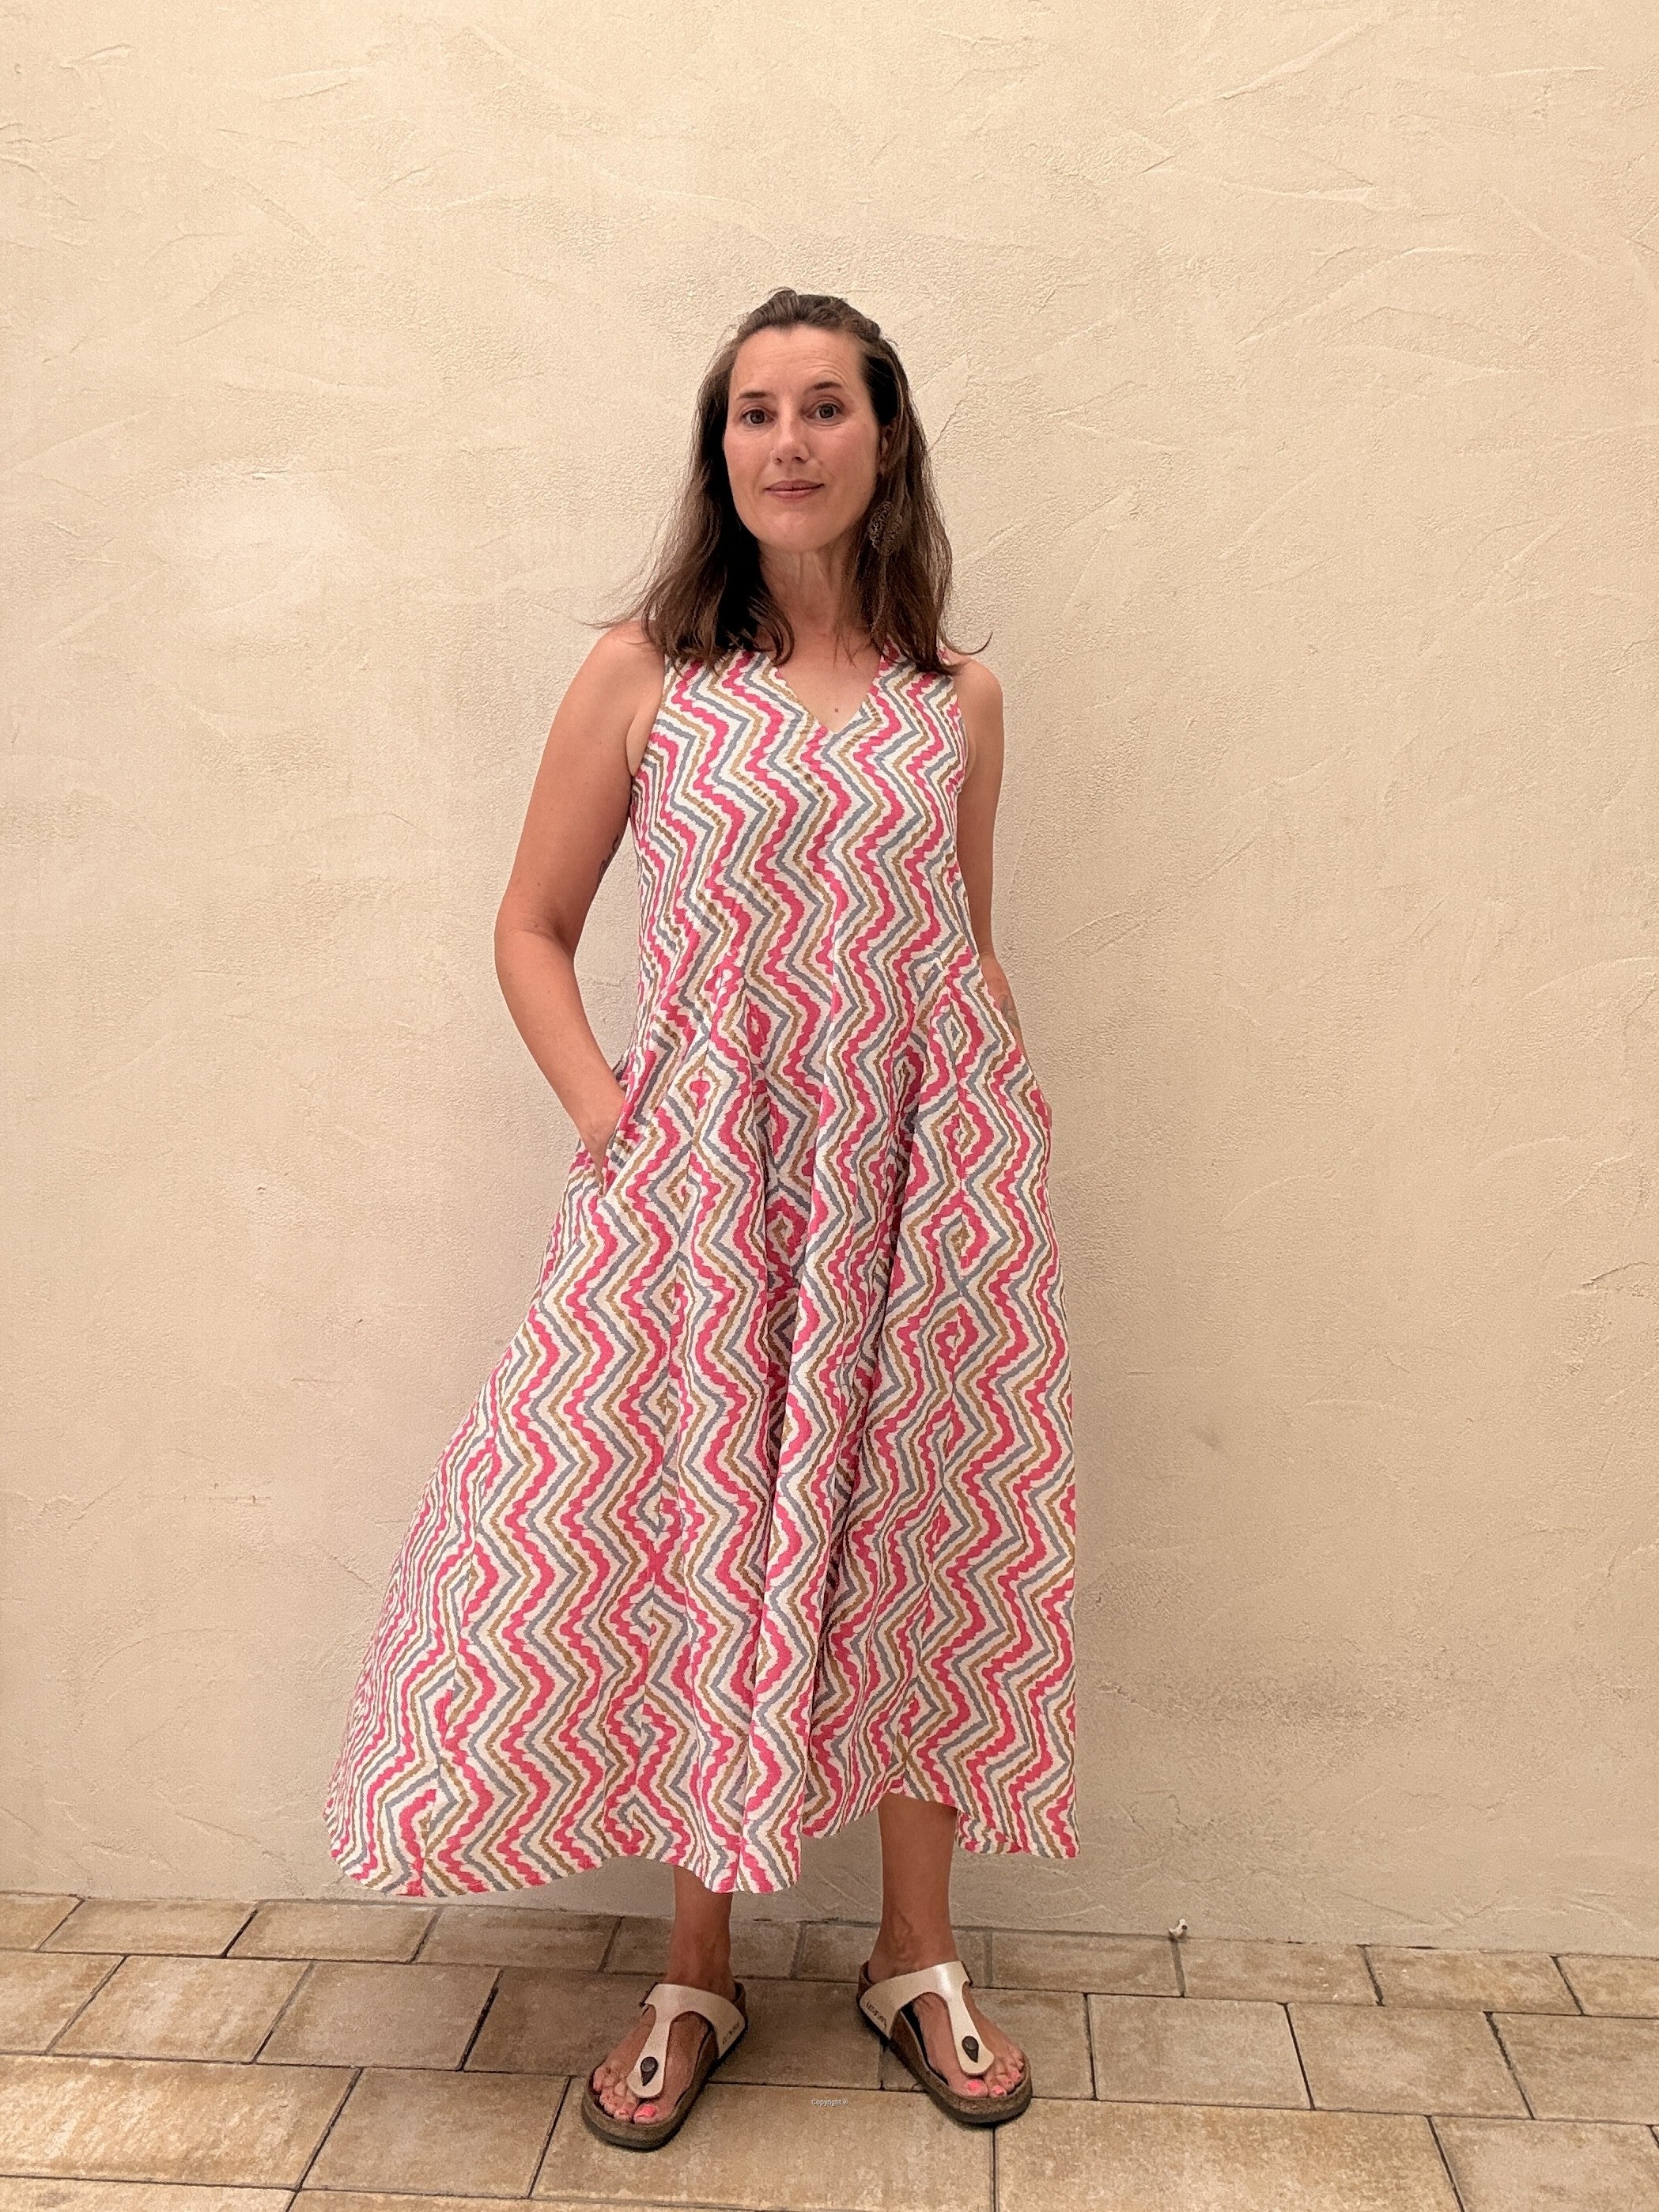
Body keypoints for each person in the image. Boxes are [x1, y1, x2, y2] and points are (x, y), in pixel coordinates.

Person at [323, 288, 1077, 2146]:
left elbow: (957, 947)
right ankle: (695, 1968)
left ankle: (915, 1953)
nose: (787, 441)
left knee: (920, 1546)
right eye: (754, 411)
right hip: (707, 1197)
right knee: (699, 1539)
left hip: (923, 1185)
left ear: (883, 439)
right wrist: (613, 1120)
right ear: (717, 447)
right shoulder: (645, 673)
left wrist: (1003, 1120)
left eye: (824, 407)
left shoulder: (955, 702)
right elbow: (530, 927)